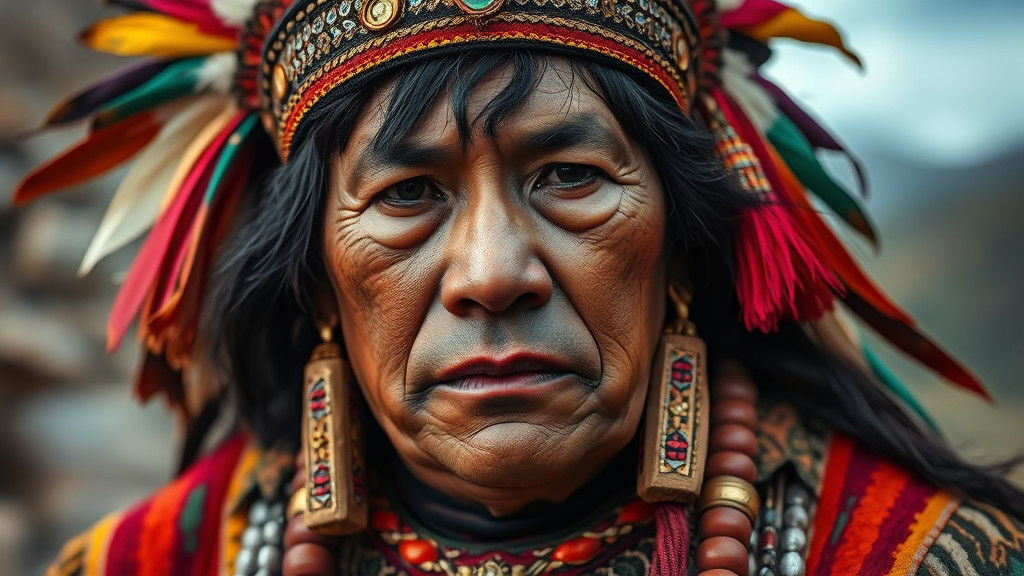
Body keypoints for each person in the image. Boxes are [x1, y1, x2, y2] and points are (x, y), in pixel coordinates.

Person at [15, 0, 1023, 575]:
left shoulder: (917, 556)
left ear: (677, 249)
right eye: (408, 194)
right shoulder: (151, 564)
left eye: (570, 179)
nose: (493, 274)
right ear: (318, 283)